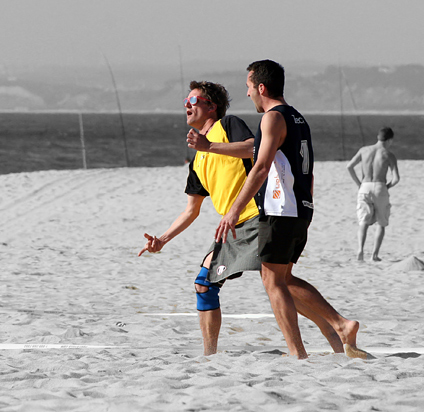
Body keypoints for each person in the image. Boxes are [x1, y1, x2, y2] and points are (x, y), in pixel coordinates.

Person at [139, 81, 345, 357]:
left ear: (211, 106)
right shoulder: (198, 159)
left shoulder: (228, 126)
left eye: (194, 100)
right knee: (210, 284)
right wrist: (162, 239)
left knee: (277, 283)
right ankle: (210, 355)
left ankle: (334, 331)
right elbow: (191, 210)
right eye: (185, 101)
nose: (187, 105)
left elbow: (253, 148)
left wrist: (210, 145)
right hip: (232, 228)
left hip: (257, 216)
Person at [215, 60, 367, 359]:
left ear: (261, 87)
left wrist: (233, 211)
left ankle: (313, 342)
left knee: (273, 280)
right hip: (299, 208)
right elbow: (286, 163)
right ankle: (336, 329)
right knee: (281, 280)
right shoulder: (297, 118)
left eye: (248, 87)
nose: (247, 94)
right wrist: (210, 147)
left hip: (281, 209)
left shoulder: (272, 118)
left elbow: (259, 168)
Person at [346, 127, 399, 261]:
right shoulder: (388, 154)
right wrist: (387, 187)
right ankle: (374, 255)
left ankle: (360, 251)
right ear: (390, 140)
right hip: (380, 186)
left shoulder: (364, 150)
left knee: (363, 220)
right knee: (381, 222)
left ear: (378, 137)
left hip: (365, 186)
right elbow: (396, 178)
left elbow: (349, 167)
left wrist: (359, 184)